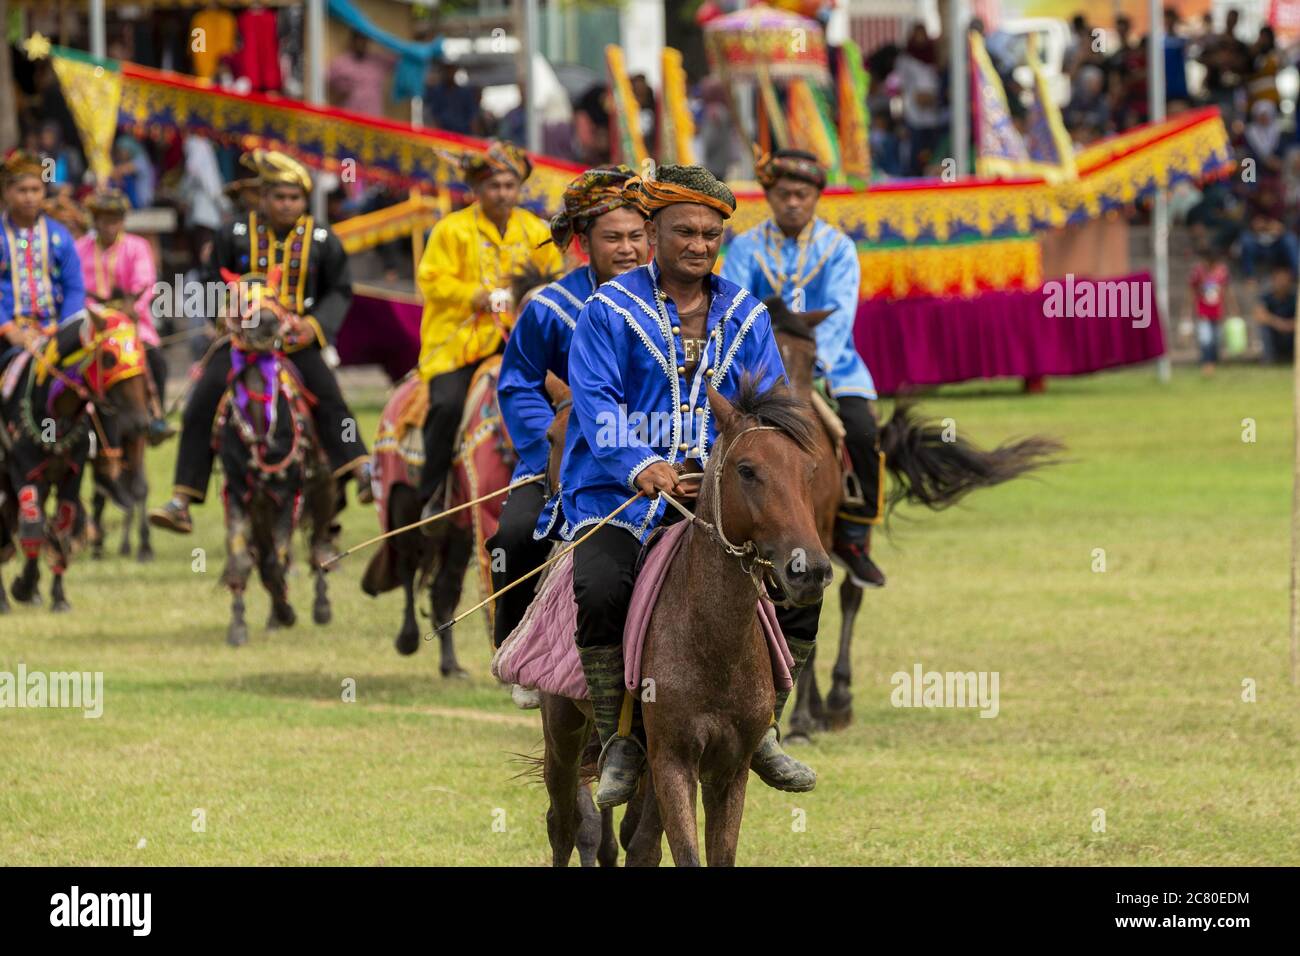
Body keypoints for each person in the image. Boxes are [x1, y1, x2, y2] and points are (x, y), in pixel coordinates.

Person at [549, 164, 823, 808]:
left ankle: (764, 728)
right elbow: (596, 399)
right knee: (601, 582)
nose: (699, 245)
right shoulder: (606, 310)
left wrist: (751, 462)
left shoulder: (748, 314)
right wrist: (641, 462)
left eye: (711, 235)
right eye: (684, 232)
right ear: (651, 233)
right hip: (619, 498)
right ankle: (622, 736)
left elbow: (771, 408)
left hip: (722, 501)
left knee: (805, 576)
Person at [149, 150, 372, 534]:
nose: (287, 205)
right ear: (263, 198)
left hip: (295, 343)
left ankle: (361, 468)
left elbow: (339, 291)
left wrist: (314, 326)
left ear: (304, 200)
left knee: (329, 395)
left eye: (294, 198)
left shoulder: (322, 238)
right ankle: (182, 499)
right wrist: (224, 316)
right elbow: (210, 283)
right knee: (202, 401)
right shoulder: (232, 235)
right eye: (279, 197)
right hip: (241, 344)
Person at [489, 166, 649, 660]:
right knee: (513, 536)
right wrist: (548, 450)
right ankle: (516, 646)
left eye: (637, 236)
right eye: (613, 238)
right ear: (584, 241)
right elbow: (518, 384)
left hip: (656, 454)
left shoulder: (674, 301)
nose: (627, 249)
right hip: (567, 455)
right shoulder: (552, 309)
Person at [722, 148, 886, 589]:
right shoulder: (745, 247)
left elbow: (837, 315)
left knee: (863, 431)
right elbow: (736, 309)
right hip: (759, 370)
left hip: (830, 366)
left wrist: (812, 370)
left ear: (816, 197)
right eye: (783, 195)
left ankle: (852, 536)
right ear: (770, 197)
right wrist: (764, 368)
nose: (793, 202)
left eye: (802, 195)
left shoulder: (838, 249)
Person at [414, 141, 564, 529]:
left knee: (564, 398)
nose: (503, 193)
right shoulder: (451, 229)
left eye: (509, 185)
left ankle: (562, 482)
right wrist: (475, 295)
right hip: (460, 344)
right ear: (476, 190)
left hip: (523, 340)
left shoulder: (536, 230)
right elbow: (429, 279)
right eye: (494, 185)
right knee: (446, 405)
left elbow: (555, 280)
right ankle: (432, 494)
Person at [75, 189, 172, 442]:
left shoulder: (137, 246)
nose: (110, 225)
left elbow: (145, 283)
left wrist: (130, 309)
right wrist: (96, 314)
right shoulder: (80, 248)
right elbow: (76, 288)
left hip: (131, 323)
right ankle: (68, 422)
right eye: (105, 219)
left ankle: (155, 418)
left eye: (116, 219)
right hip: (91, 324)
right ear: (94, 221)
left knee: (155, 360)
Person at [0, 150, 86, 375]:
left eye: (35, 190)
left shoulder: (59, 236)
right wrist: (9, 330)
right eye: (22, 190)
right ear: (6, 192)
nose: (29, 197)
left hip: (54, 331)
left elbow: (74, 287)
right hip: (7, 334)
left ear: (44, 191)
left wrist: (63, 331)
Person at [1189, 243, 1235, 377]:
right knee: (1205, 338)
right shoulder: (1198, 271)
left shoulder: (1222, 271)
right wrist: (1189, 310)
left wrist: (1231, 309)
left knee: (1216, 338)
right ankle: (1206, 363)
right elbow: (1191, 291)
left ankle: (1214, 361)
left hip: (1217, 311)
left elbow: (1227, 292)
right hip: (1203, 311)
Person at [327, 30, 395, 118]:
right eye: (358, 40)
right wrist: (345, 87)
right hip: (349, 118)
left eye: (364, 40)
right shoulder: (342, 63)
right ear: (352, 41)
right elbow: (329, 80)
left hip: (372, 118)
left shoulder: (377, 62)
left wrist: (380, 39)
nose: (361, 44)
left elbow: (398, 59)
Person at [1255, 261, 1296, 364]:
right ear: (1273, 280)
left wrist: (1290, 325)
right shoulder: (1266, 296)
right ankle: (1269, 359)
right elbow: (1259, 315)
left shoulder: (1294, 297)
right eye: (1279, 279)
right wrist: (1279, 323)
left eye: (1285, 279)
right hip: (1275, 332)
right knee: (1264, 328)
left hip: (1292, 331)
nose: (1282, 282)